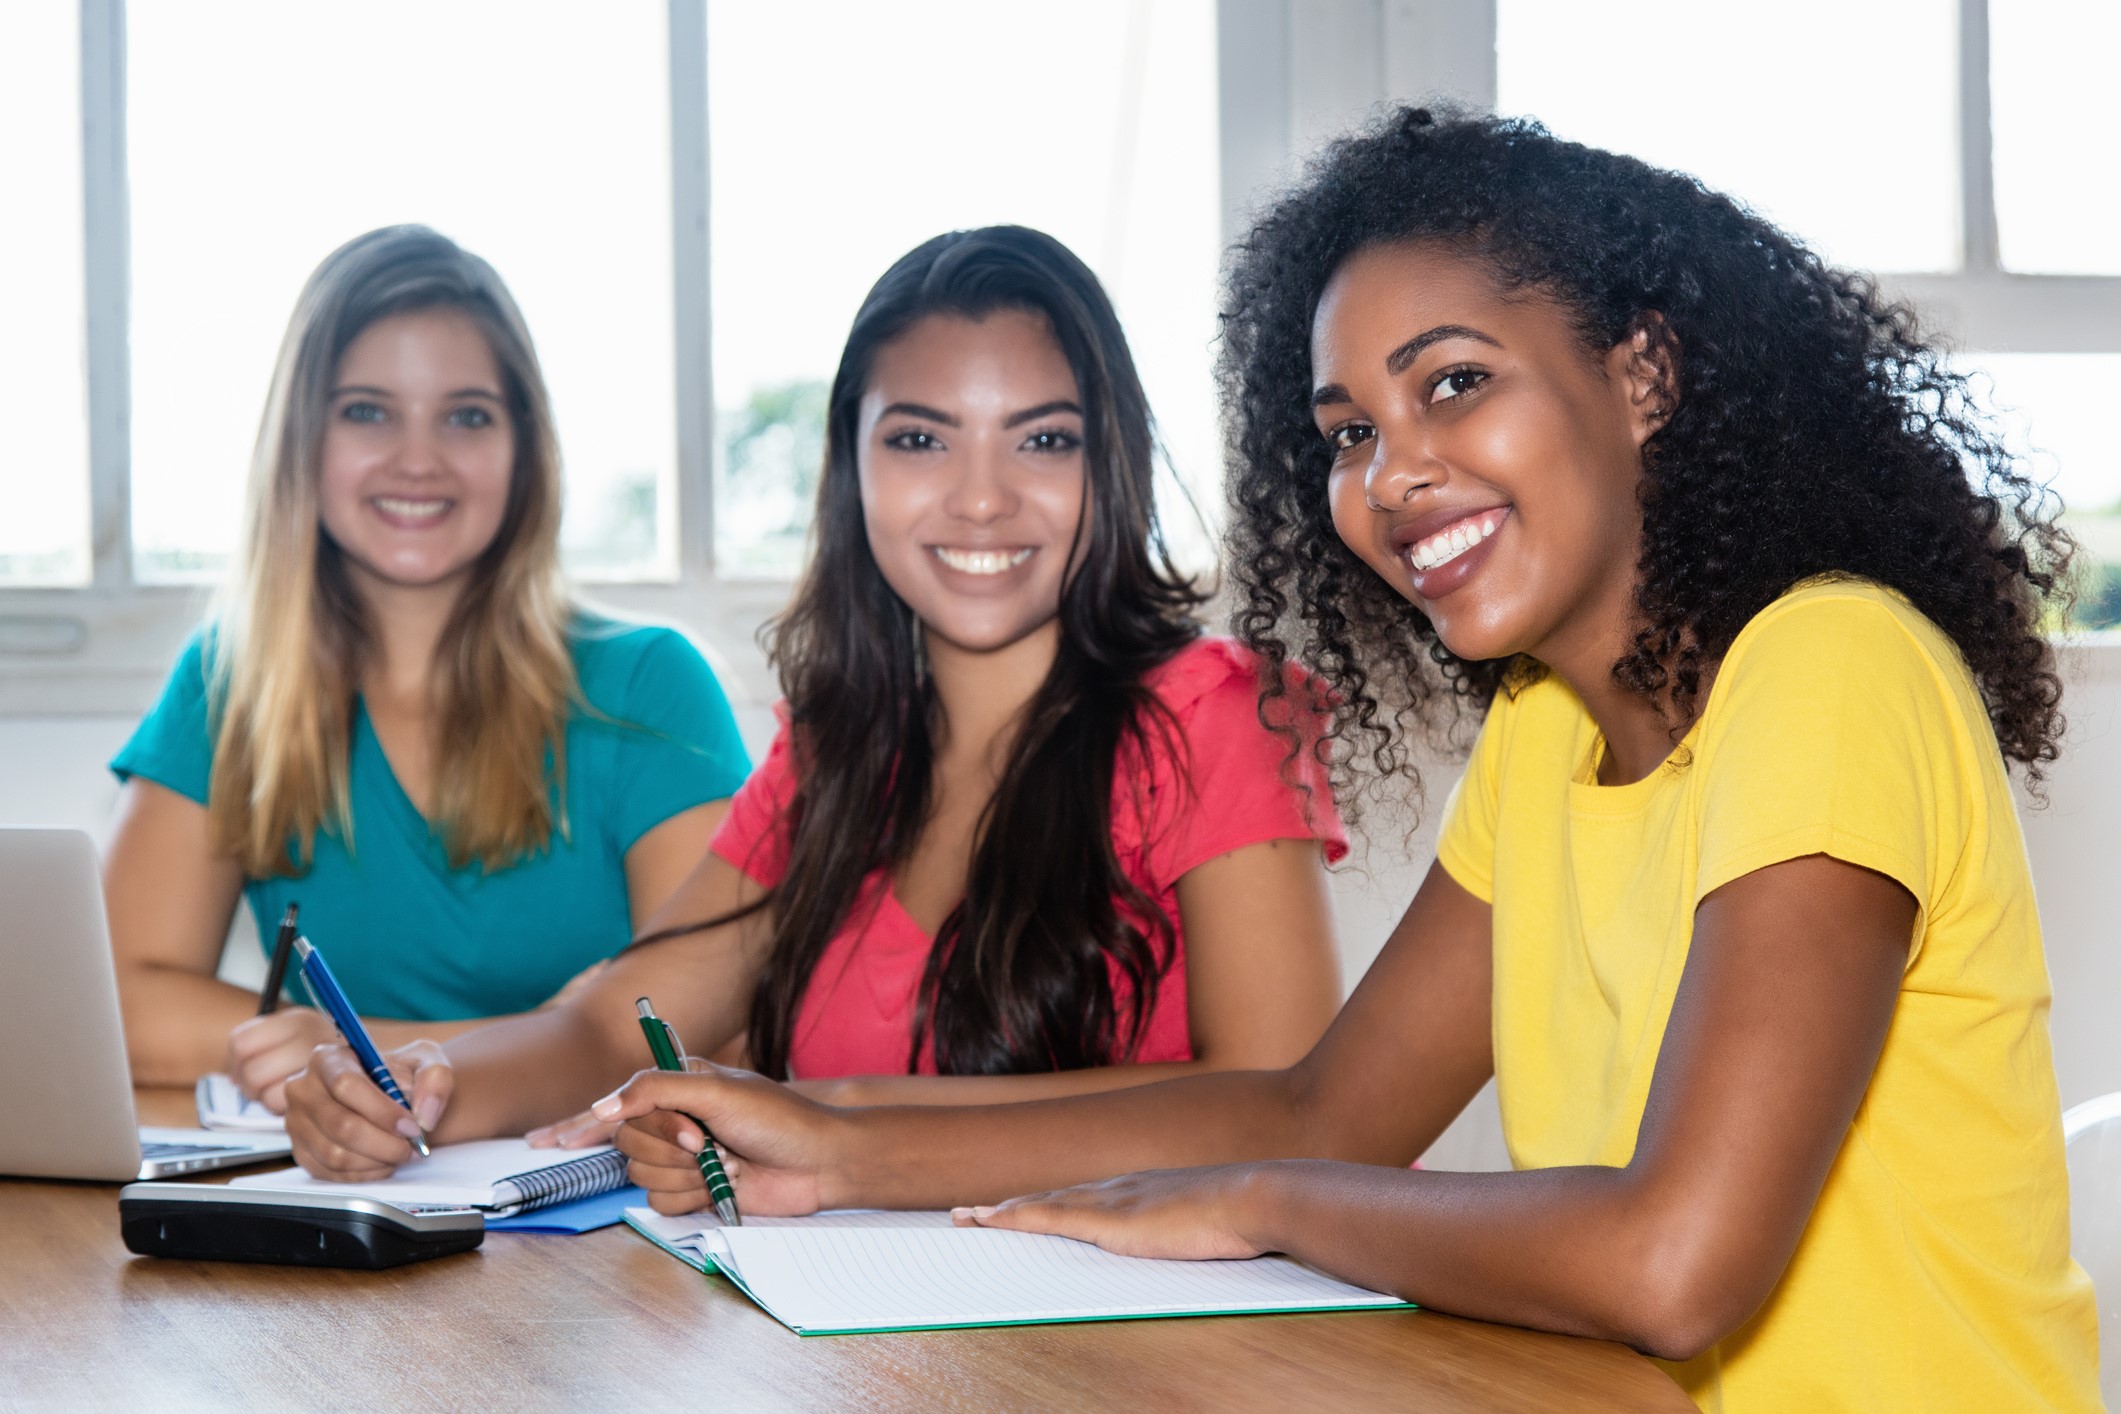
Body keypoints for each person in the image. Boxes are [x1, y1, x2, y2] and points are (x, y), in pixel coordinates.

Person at [588, 112, 2101, 1412]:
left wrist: (1256, 1204)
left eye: (1452, 383)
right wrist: (836, 1146)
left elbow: (1671, 1261)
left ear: (1640, 377)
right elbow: (1318, 1111)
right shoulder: (1543, 738)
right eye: (1343, 430)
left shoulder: (1830, 665)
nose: (1390, 473)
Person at [281, 225, 1348, 1163]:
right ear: (851, 464)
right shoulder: (838, 755)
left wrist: (836, 1127)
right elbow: (614, 1024)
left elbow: (1291, 1099)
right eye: (921, 439)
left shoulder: (1215, 714)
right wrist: (423, 1081)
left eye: (1044, 439)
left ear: (1111, 460)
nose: (982, 498)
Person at [106, 226, 750, 1111]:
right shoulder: (229, 689)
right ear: (303, 440)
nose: (419, 458)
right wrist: (402, 1053)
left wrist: (352, 1049)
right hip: (342, 1192)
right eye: (367, 410)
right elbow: (121, 1004)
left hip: (596, 1209)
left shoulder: (651, 688)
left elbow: (709, 1034)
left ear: (525, 448)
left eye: (466, 415)